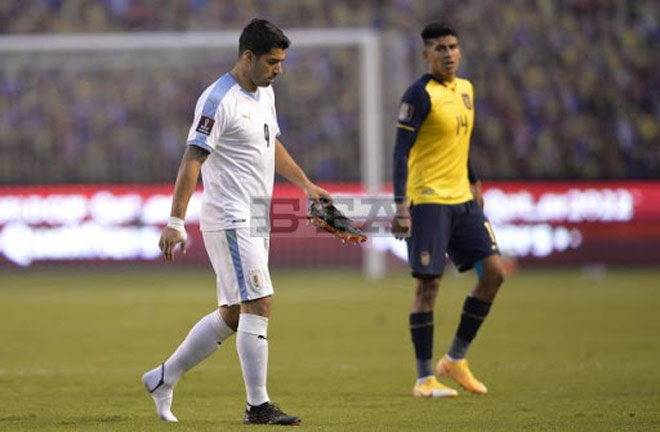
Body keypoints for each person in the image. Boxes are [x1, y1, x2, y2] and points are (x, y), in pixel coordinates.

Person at [141, 19, 330, 425]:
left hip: (255, 216)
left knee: (233, 313)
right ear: (248, 57)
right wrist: (175, 221)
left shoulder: (265, 93)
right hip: (230, 217)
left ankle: (163, 377)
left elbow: (270, 144)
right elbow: (193, 158)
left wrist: (306, 185)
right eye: (272, 62)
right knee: (259, 302)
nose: (279, 69)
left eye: (281, 61)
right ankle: (257, 406)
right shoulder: (217, 101)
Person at [391, 22, 506, 399]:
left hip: (463, 200)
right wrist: (400, 205)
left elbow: (460, 141)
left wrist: (474, 180)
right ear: (426, 54)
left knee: (493, 273)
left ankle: (455, 360)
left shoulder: (467, 90)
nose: (449, 53)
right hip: (427, 201)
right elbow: (400, 151)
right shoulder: (418, 95)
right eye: (440, 48)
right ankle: (425, 378)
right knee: (429, 286)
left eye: (453, 46)